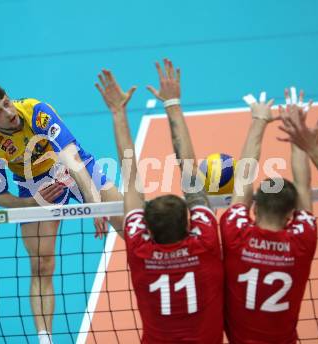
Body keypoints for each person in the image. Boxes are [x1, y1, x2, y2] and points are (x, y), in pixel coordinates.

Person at [0, 83, 123, 344]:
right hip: (33, 184)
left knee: (130, 224)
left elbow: (70, 157)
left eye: (7, 103)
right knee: (41, 265)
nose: (7, 112)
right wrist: (32, 203)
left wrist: (94, 204)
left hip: (71, 165)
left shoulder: (35, 111)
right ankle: (45, 339)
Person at [95, 59, 223, 343]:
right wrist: (172, 103)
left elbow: (130, 181)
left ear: (148, 229)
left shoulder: (140, 249)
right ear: (190, 223)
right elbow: (190, 174)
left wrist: (118, 112)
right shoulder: (205, 242)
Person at [220, 90, 318, 343]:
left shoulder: (235, 232)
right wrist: (298, 130)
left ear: (254, 207)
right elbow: (303, 184)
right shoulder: (302, 239)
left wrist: (259, 120)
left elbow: (244, 175)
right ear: (291, 213)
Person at [278, 95, 318, 195]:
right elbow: (303, 187)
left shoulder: (242, 211)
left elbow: (302, 187)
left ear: (256, 210)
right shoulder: (303, 211)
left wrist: (311, 147)